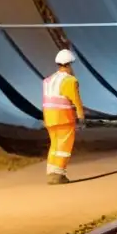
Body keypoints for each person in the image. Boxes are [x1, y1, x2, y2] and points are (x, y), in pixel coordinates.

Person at [43, 49, 84, 185]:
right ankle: (59, 174)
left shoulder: (48, 80)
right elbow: (76, 100)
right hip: (64, 118)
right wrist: (81, 116)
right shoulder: (70, 81)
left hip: (49, 118)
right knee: (64, 147)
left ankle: (51, 173)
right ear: (69, 65)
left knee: (54, 146)